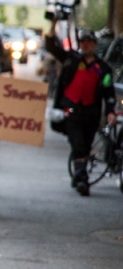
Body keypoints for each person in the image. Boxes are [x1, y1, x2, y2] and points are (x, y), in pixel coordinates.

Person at [45, 25, 115, 196]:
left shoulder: (103, 68)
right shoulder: (71, 60)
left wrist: (110, 111)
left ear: (95, 45)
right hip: (70, 110)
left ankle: (79, 175)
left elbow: (108, 90)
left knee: (85, 145)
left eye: (89, 42)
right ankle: (82, 178)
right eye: (82, 41)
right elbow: (51, 47)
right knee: (77, 141)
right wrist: (53, 25)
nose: (85, 45)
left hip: (91, 112)